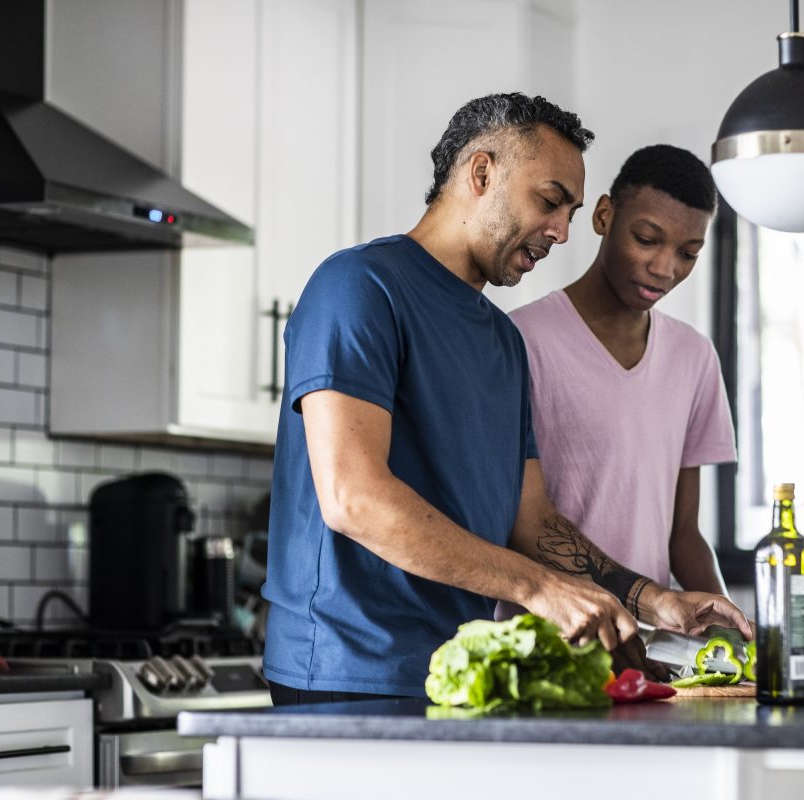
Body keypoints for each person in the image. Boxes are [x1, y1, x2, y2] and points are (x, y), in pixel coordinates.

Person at [261, 94, 750, 706]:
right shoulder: (359, 287)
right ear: (482, 173)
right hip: (344, 675)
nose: (562, 231)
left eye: (570, 211)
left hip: (465, 674)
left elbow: (534, 521)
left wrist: (652, 599)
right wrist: (540, 590)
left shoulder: (501, 340)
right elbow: (353, 498)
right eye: (549, 202)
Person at [508, 144, 735, 598]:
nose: (664, 268)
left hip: (651, 649)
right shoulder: (519, 340)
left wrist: (735, 635)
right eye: (647, 239)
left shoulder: (694, 357)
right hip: (548, 646)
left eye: (688, 253)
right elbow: (518, 521)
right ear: (604, 216)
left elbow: (683, 537)